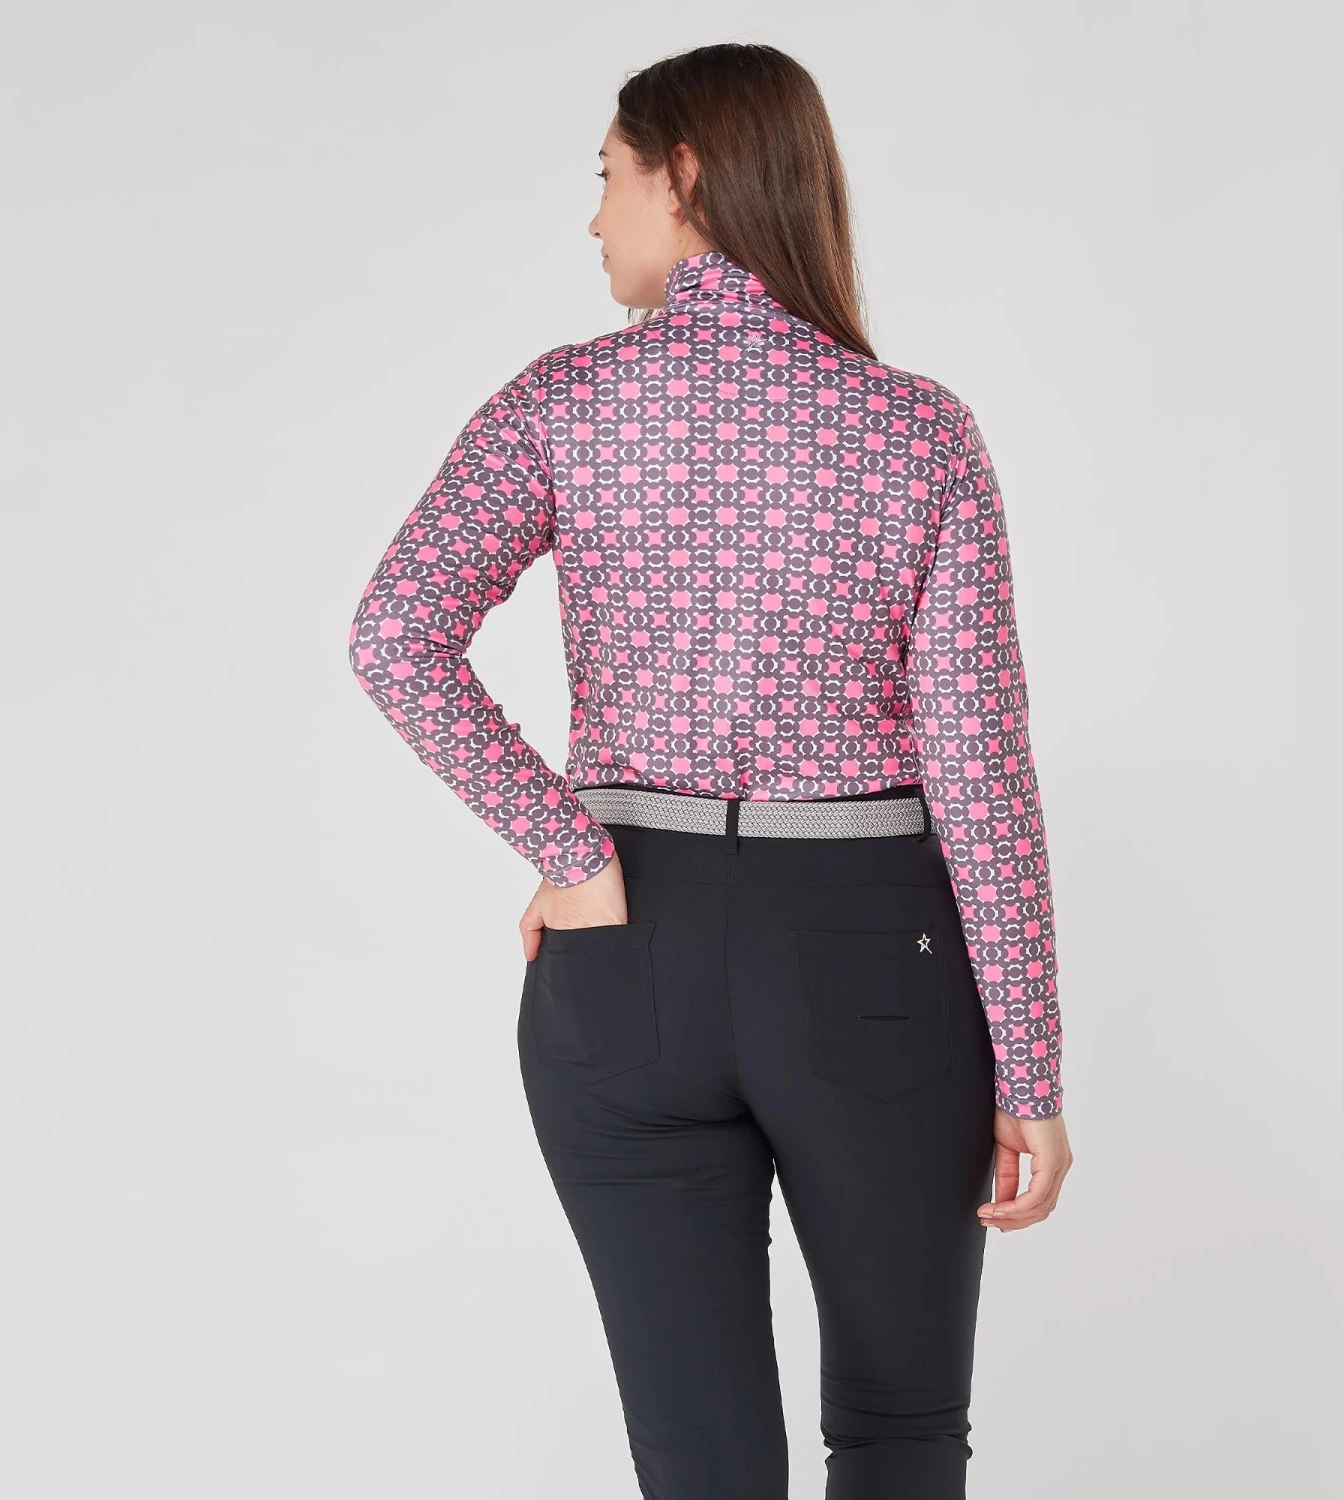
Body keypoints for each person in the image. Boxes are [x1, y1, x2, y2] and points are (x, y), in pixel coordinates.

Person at [348, 39, 1073, 1500]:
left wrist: (569, 848)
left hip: (628, 954)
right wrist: (1032, 1066)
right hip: (870, 957)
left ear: (684, 177)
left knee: (700, 1465)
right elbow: (979, 769)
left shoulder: (564, 401)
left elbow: (393, 637)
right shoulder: (917, 430)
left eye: (608, 176)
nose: (593, 216)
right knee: (901, 1428)